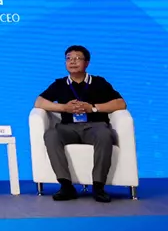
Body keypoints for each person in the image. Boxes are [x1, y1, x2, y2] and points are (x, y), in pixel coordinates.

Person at [35, 45, 127, 203]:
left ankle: (98, 187)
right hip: (68, 128)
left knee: (104, 134)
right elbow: (39, 102)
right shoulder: (60, 84)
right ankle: (66, 186)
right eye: (69, 58)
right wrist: (64, 108)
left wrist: (93, 108)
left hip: (95, 126)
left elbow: (121, 103)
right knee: (51, 135)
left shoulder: (99, 82)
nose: (72, 62)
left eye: (77, 58)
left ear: (87, 63)